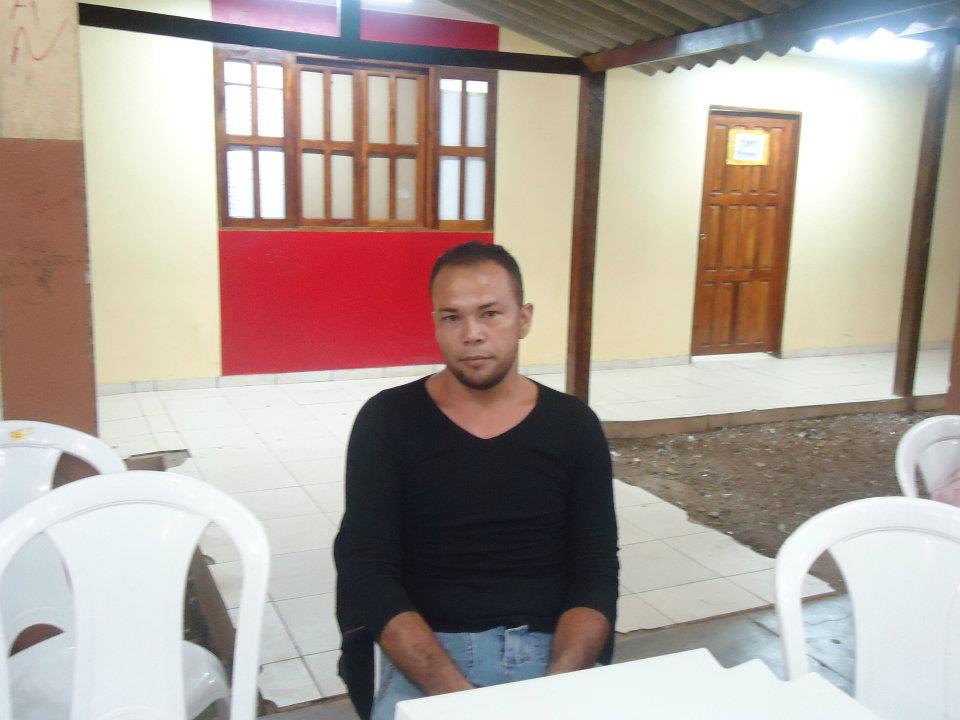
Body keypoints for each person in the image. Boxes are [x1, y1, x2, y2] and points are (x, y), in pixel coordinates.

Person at [334, 241, 619, 720]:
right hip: (428, 658)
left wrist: (557, 689)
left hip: (553, 654)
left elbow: (595, 571)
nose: (472, 335)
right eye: (452, 317)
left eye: (490, 314)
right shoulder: (387, 421)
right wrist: (457, 697)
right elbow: (368, 572)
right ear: (435, 323)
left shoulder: (573, 426)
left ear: (523, 319)